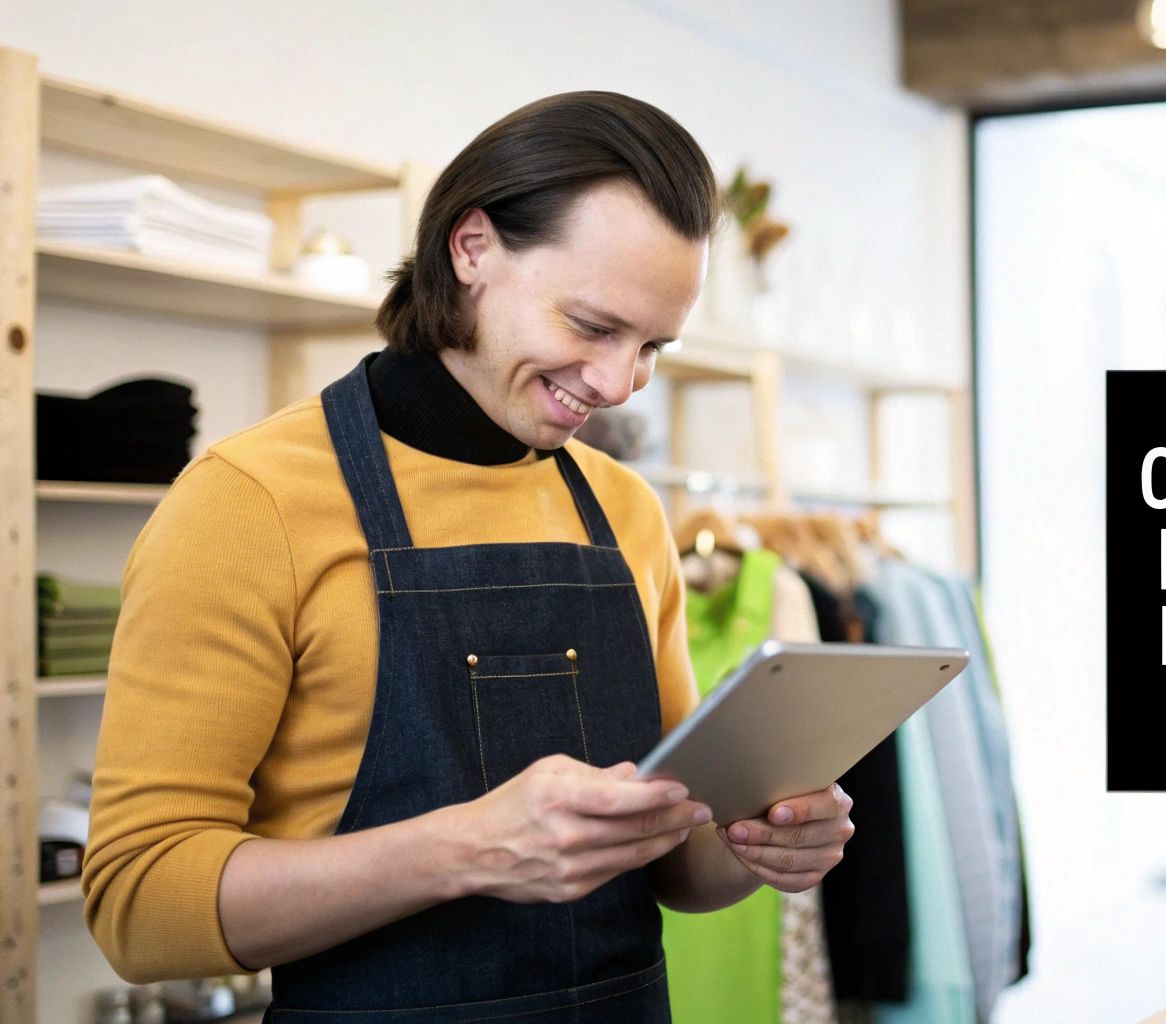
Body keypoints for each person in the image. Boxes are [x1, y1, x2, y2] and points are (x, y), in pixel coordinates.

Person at [81, 91, 855, 1022]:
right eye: (592, 326)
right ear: (473, 247)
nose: (615, 383)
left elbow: (675, 859)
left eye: (652, 346)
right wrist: (464, 849)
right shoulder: (247, 504)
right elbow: (138, 909)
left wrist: (751, 848)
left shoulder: (626, 513)